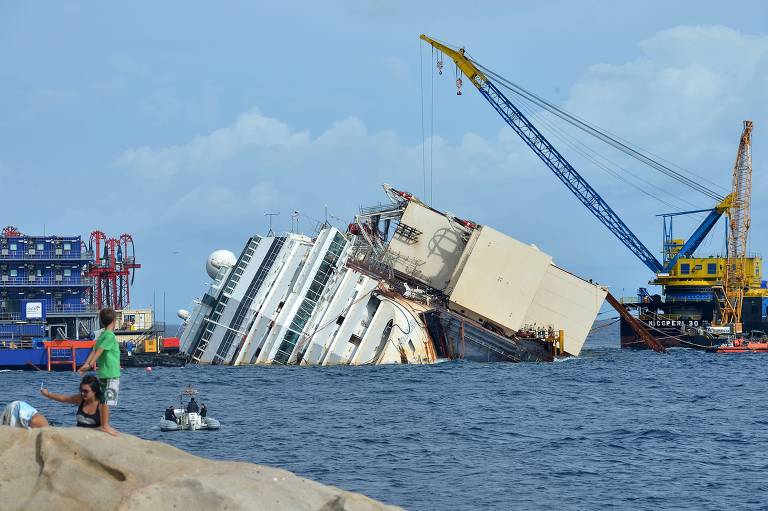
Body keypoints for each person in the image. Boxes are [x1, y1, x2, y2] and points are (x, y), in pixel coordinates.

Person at [78, 307, 120, 436]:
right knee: (107, 400)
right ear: (114, 320)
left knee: (103, 400)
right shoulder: (110, 336)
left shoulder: (102, 335)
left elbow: (94, 349)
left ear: (101, 322)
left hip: (104, 373)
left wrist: (87, 363)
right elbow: (99, 351)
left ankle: (103, 424)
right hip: (110, 373)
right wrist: (90, 364)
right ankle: (105, 425)